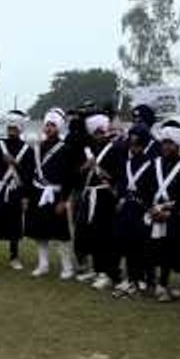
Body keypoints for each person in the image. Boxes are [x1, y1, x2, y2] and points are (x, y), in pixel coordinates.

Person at [74, 113, 127, 291]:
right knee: (90, 234)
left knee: (104, 236)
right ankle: (97, 270)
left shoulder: (116, 149)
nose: (98, 135)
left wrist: (104, 174)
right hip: (90, 196)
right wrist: (86, 167)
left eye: (101, 132)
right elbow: (80, 175)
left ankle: (107, 274)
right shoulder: (89, 150)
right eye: (95, 133)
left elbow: (120, 175)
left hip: (105, 197)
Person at [145, 121, 180, 302]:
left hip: (173, 215)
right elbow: (147, 188)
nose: (166, 146)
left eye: (170, 143)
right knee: (151, 249)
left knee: (168, 252)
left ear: (178, 144)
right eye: (164, 142)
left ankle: (163, 284)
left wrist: (170, 212)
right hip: (154, 212)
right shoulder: (155, 163)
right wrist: (151, 208)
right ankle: (150, 282)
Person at [0, 110, 33, 271]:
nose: (11, 131)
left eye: (14, 128)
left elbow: (28, 175)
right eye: (9, 128)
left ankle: (14, 257)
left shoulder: (26, 150)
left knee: (15, 226)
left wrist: (25, 196)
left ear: (20, 129)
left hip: (16, 191)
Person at [26, 108, 76, 279]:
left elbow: (70, 177)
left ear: (59, 127)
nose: (48, 128)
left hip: (56, 195)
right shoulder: (38, 146)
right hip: (38, 194)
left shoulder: (66, 149)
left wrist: (64, 200)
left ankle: (67, 267)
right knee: (40, 232)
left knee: (61, 234)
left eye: (52, 125)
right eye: (47, 125)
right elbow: (32, 172)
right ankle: (43, 264)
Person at [111, 125, 155, 298]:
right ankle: (130, 278)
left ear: (143, 145)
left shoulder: (151, 164)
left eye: (137, 144)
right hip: (126, 210)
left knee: (140, 247)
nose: (133, 147)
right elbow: (122, 185)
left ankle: (142, 280)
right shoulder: (127, 163)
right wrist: (120, 197)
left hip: (141, 211)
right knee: (125, 244)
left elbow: (151, 189)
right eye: (132, 143)